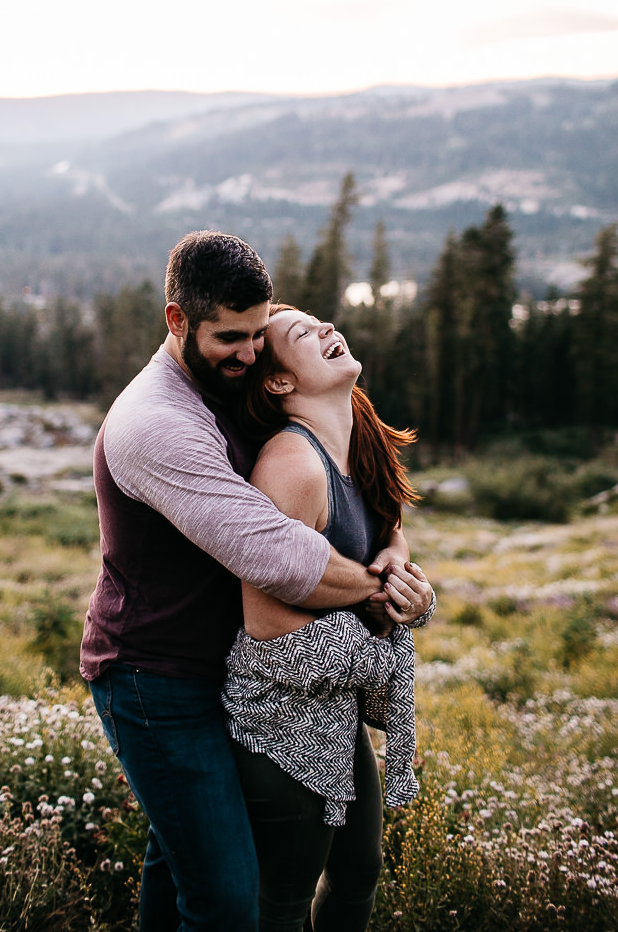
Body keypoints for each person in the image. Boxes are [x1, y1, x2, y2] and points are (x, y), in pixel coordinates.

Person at [79, 231, 426, 932]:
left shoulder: (226, 380)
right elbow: (278, 557)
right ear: (177, 321)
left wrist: (392, 547)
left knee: (178, 865)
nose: (249, 352)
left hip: (220, 669)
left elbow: (353, 484)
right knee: (227, 901)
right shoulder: (157, 422)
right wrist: (386, 591)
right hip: (155, 677)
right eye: (231, 337)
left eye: (259, 334)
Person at [221, 304, 435, 932]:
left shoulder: (355, 435)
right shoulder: (292, 466)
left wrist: (403, 583)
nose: (328, 332)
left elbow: (389, 532)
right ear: (281, 382)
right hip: (282, 724)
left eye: (324, 324)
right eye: (304, 336)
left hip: (337, 714)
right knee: (283, 903)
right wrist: (373, 625)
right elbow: (263, 622)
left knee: (358, 875)